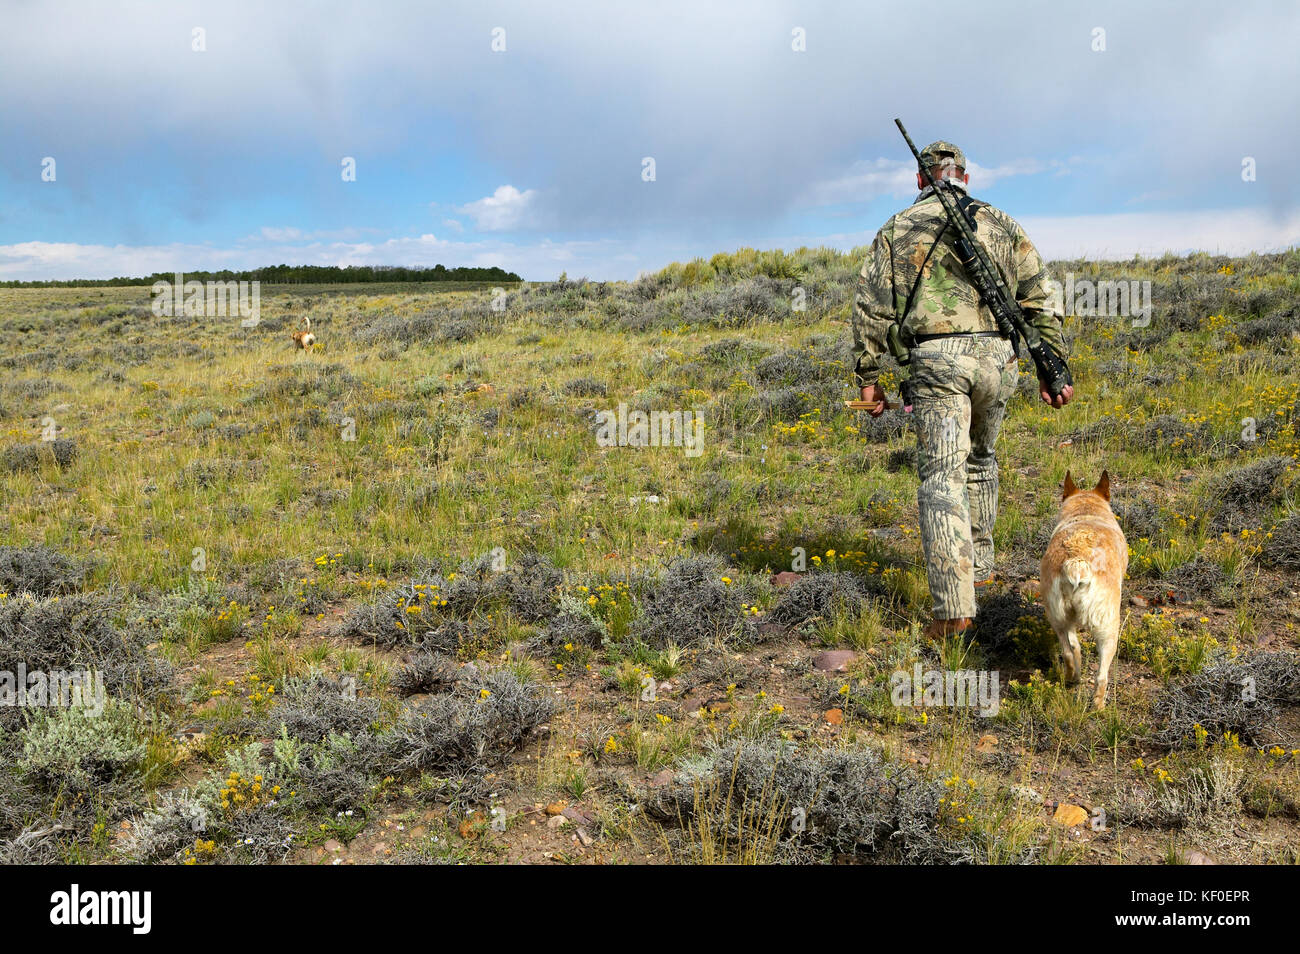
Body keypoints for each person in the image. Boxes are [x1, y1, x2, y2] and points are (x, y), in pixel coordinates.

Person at [850, 139, 1072, 640]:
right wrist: (1052, 366)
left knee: (942, 479)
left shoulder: (896, 229)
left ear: (920, 179)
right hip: (998, 358)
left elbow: (871, 307)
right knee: (981, 461)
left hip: (937, 361)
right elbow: (1040, 295)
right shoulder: (1001, 222)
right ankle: (978, 575)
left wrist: (868, 378)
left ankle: (953, 613)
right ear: (965, 178)